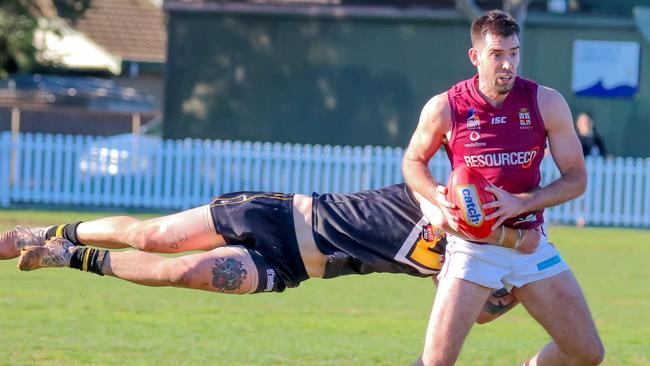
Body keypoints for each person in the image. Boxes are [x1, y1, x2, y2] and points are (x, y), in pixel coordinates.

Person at [0, 184, 535, 323]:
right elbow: (423, 171)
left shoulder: (457, 261)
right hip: (274, 214)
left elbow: (476, 313)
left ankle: (66, 256)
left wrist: (515, 291)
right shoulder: (430, 194)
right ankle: (42, 233)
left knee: (180, 272)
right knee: (150, 236)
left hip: (289, 268)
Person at [402, 10, 604, 366]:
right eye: (497, 54)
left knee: (587, 353)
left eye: (513, 53)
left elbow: (577, 177)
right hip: (472, 248)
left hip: (530, 244)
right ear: (475, 56)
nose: (507, 64)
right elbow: (413, 161)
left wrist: (521, 203)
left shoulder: (546, 103)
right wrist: (437, 196)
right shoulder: (446, 107)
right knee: (435, 363)